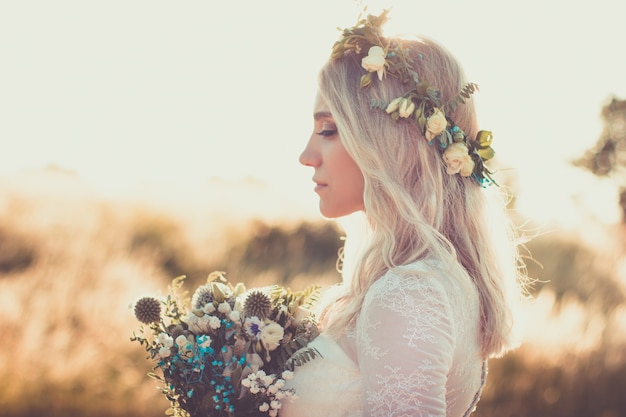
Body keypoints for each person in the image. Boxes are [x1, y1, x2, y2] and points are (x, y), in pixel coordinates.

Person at [279, 9, 529, 417]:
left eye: (328, 129)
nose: (307, 156)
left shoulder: (409, 293)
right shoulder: (426, 278)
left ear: (390, 141)